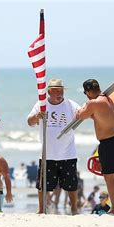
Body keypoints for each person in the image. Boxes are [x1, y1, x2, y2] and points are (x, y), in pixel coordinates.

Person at [27, 78, 81, 215]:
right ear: (49, 92)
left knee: (71, 184)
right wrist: (38, 116)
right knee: (43, 185)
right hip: (47, 153)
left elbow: (83, 114)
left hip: (67, 152)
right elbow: (29, 122)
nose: (60, 93)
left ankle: (74, 209)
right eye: (56, 90)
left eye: (61, 90)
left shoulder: (70, 104)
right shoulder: (41, 104)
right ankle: (41, 210)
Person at [76, 79, 114, 215]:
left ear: (89, 92)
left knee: (109, 177)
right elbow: (98, 116)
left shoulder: (93, 103)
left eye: (86, 93)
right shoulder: (107, 99)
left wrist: (83, 107)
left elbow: (81, 115)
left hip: (108, 142)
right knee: (111, 176)